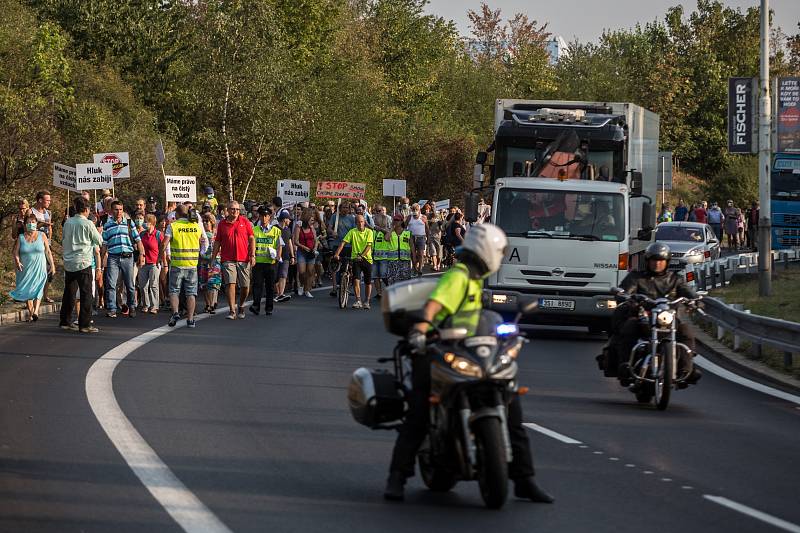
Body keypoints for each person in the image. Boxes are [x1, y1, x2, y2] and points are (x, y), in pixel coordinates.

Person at [384, 224, 553, 503]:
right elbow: (434, 306)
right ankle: (397, 477)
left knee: (512, 408)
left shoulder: (475, 279)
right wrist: (420, 330)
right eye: (499, 251)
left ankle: (524, 479)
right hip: (439, 347)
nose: (500, 255)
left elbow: (481, 320)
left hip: (471, 350)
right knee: (420, 410)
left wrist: (509, 334)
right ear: (487, 251)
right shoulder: (458, 276)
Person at [604, 242, 701, 386]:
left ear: (666, 262)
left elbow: (689, 292)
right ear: (648, 261)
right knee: (629, 326)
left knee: (686, 331)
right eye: (654, 260)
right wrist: (625, 296)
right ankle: (625, 364)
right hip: (643, 317)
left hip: (667, 317)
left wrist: (695, 300)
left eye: (661, 260)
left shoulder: (675, 279)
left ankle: (687, 369)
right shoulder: (637, 277)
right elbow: (625, 291)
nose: (657, 264)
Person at [160, 204, 208, 328]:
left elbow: (164, 244)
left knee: (174, 291)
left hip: (177, 265)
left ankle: (175, 312)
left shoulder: (173, 226)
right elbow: (204, 241)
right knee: (191, 293)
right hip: (192, 265)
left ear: (177, 214)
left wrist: (161, 256)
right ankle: (191, 319)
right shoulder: (196, 226)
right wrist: (201, 254)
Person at [60, 197, 103, 333]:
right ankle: (84, 325)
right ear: (86, 209)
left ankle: (65, 321)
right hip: (83, 261)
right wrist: (99, 231)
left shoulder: (67, 222)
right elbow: (99, 241)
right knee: (86, 294)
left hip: (69, 261)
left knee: (69, 292)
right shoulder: (88, 223)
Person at [211, 201, 255, 320]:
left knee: (245, 286)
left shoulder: (245, 221)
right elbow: (218, 242)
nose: (235, 211)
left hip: (243, 258)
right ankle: (232, 310)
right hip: (227, 259)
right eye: (233, 209)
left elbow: (251, 238)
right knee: (231, 283)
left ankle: (241, 305)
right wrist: (213, 258)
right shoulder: (222, 224)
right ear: (228, 210)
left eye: (237, 209)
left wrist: (253, 255)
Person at [102, 200, 145, 318]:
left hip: (127, 257)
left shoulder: (129, 223)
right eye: (116, 209)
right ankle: (112, 308)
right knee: (111, 284)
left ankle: (131, 306)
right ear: (111, 211)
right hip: (113, 258)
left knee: (129, 284)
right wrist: (101, 260)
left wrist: (142, 255)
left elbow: (138, 240)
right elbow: (104, 244)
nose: (119, 212)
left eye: (121, 209)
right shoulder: (107, 225)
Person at [10, 213, 55, 321]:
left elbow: (48, 252)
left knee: (39, 287)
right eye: (29, 222)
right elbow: (15, 252)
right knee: (27, 290)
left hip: (40, 267)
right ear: (25, 225)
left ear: (36, 223)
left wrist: (52, 265)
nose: (31, 224)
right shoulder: (21, 237)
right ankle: (31, 312)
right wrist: (17, 261)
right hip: (25, 268)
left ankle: (35, 311)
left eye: (33, 222)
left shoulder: (42, 235)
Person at [333, 214, 374, 309]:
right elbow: (343, 243)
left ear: (364, 222)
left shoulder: (369, 232)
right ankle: (358, 300)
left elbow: (368, 246)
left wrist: (362, 256)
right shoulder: (352, 232)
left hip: (367, 259)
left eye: (362, 222)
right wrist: (336, 254)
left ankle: (367, 301)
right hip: (355, 259)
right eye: (358, 222)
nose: (360, 224)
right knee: (356, 280)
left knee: (368, 282)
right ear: (355, 223)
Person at [250, 207, 283, 315]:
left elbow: (279, 245)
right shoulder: (254, 230)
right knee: (257, 285)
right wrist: (252, 256)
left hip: (271, 263)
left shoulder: (276, 230)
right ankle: (256, 306)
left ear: (269, 217)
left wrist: (278, 256)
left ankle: (269, 308)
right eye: (262, 216)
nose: (264, 218)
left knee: (270, 286)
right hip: (258, 262)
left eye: (266, 216)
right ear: (259, 216)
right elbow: (251, 244)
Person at [30, 190, 54, 302]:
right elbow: (29, 227)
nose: (49, 202)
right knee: (35, 271)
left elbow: (50, 228)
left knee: (48, 270)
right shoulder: (31, 211)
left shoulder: (48, 212)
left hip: (46, 244)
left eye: (49, 200)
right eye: (47, 200)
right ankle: (33, 295)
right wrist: (42, 224)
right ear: (40, 200)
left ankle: (45, 295)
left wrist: (49, 240)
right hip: (34, 244)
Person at [328, 202, 356, 297]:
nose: (345, 209)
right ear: (340, 208)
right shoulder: (334, 217)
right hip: (337, 244)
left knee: (349, 266)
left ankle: (347, 286)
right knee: (335, 266)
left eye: (347, 207)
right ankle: (335, 288)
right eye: (344, 207)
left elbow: (354, 231)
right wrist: (332, 232)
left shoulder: (352, 218)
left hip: (348, 246)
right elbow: (329, 228)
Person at [138, 214, 164, 314]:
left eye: (146, 221)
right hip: (143, 263)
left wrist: (162, 261)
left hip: (154, 263)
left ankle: (154, 306)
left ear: (151, 223)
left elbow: (163, 249)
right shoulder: (142, 234)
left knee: (153, 285)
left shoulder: (158, 234)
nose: (144, 223)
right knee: (143, 285)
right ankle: (145, 304)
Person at [199, 214, 222, 314]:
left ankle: (212, 304)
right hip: (203, 261)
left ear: (212, 222)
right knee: (204, 284)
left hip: (215, 261)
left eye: (207, 221)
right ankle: (208, 304)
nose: (205, 223)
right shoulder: (200, 234)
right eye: (203, 221)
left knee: (213, 284)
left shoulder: (217, 234)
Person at [385, 214, 415, 286]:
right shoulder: (390, 232)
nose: (395, 221)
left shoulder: (407, 233)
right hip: (392, 261)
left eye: (397, 220)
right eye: (394, 220)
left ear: (401, 221)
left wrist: (414, 259)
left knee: (405, 281)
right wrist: (391, 228)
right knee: (391, 281)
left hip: (404, 261)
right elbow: (386, 238)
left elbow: (412, 247)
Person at [294, 211, 317, 298]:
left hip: (311, 252)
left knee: (310, 272)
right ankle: (301, 285)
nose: (312, 222)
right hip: (302, 252)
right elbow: (296, 241)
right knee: (302, 272)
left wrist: (314, 248)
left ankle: (307, 290)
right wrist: (303, 247)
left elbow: (316, 240)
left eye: (313, 220)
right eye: (311, 220)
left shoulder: (312, 228)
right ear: (306, 219)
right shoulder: (298, 227)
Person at [275, 211, 296, 302]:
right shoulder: (274, 228)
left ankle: (281, 294)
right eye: (289, 219)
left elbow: (290, 243)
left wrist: (292, 256)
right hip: (276, 256)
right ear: (284, 219)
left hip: (286, 256)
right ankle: (277, 293)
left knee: (283, 275)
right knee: (275, 276)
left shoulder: (288, 230)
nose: (290, 221)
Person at [406, 204, 427, 275]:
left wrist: (428, 238)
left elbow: (427, 228)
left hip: (421, 237)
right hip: (411, 237)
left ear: (419, 210)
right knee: (413, 254)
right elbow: (404, 227)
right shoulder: (409, 217)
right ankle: (415, 268)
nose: (414, 211)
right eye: (413, 210)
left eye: (416, 210)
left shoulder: (423, 217)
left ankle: (420, 269)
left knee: (420, 254)